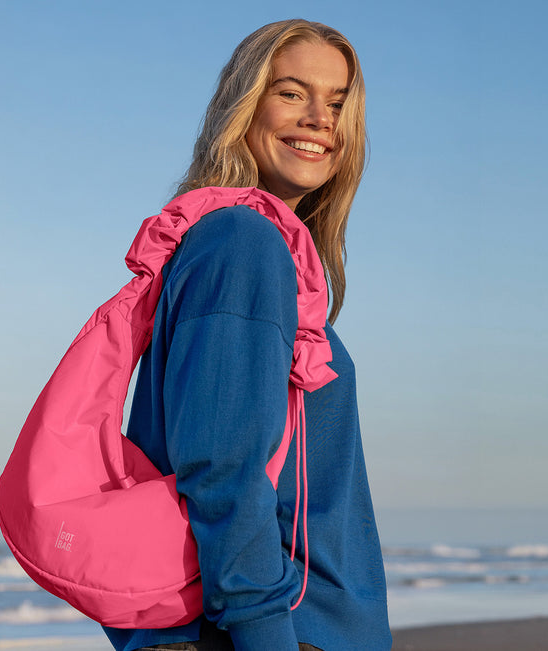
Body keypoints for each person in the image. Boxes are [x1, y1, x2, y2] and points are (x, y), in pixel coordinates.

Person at [102, 19, 390, 651]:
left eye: (338, 103)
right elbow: (222, 467)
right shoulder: (243, 242)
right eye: (292, 93)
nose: (320, 118)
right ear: (243, 105)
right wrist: (265, 633)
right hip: (283, 632)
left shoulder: (257, 250)